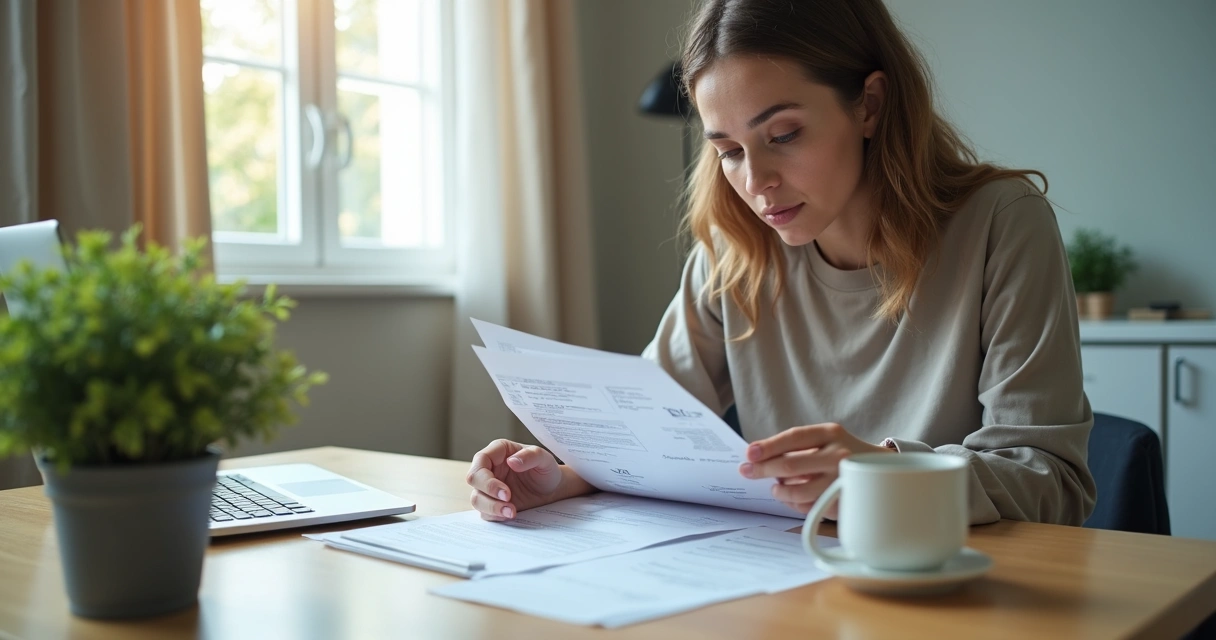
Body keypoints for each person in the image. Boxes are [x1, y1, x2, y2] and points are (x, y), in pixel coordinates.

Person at [466, 0, 1096, 526]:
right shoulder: (735, 250)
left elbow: (1051, 480)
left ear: (870, 105)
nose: (756, 182)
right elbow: (647, 436)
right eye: (730, 151)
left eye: (784, 134)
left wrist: (883, 474)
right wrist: (557, 478)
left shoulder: (1001, 222)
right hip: (786, 585)